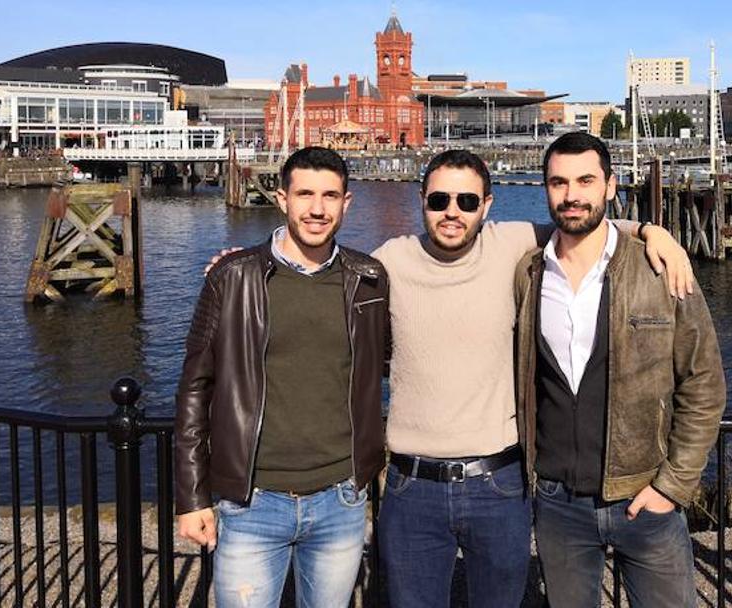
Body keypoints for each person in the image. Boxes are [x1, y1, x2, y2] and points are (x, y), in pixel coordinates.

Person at [203, 147, 694, 608]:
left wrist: (652, 230)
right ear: (423, 202)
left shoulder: (513, 245)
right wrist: (242, 266)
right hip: (410, 486)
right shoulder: (387, 263)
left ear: (487, 205)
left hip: (498, 484)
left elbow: (582, 223)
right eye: (439, 200)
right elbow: (318, 273)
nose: (452, 211)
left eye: (466, 200)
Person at [513, 132, 726, 607]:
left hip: (644, 500)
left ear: (611, 186)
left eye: (586, 180)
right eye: (558, 182)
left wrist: (672, 487)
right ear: (545, 189)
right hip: (557, 503)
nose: (572, 195)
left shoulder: (661, 270)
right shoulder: (527, 274)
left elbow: (704, 384)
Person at [175, 146, 390, 607]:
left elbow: (384, 363)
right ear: (281, 198)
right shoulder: (233, 277)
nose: (317, 209)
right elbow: (195, 388)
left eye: (331, 196)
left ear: (346, 203)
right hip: (252, 498)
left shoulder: (369, 278)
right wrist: (192, 498)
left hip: (341, 497)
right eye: (305, 194)